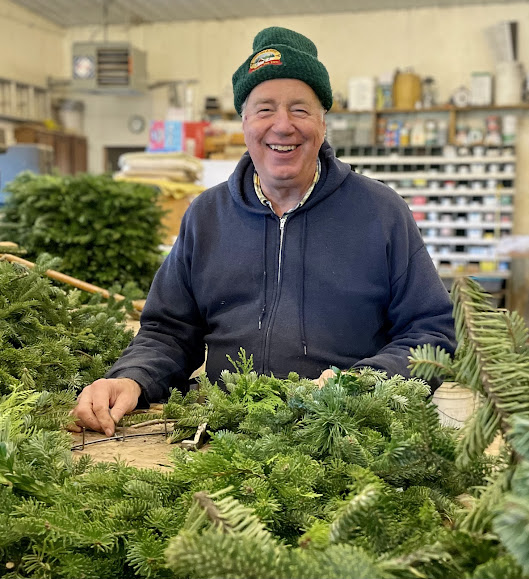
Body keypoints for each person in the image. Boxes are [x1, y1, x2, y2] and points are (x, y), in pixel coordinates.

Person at [71, 26, 456, 437]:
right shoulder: (206, 216)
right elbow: (169, 331)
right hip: (223, 437)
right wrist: (131, 378)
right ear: (244, 122)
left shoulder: (381, 212)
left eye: (300, 110)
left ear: (323, 123)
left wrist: (360, 385)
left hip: (346, 438)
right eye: (265, 109)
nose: (283, 126)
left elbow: (429, 334)